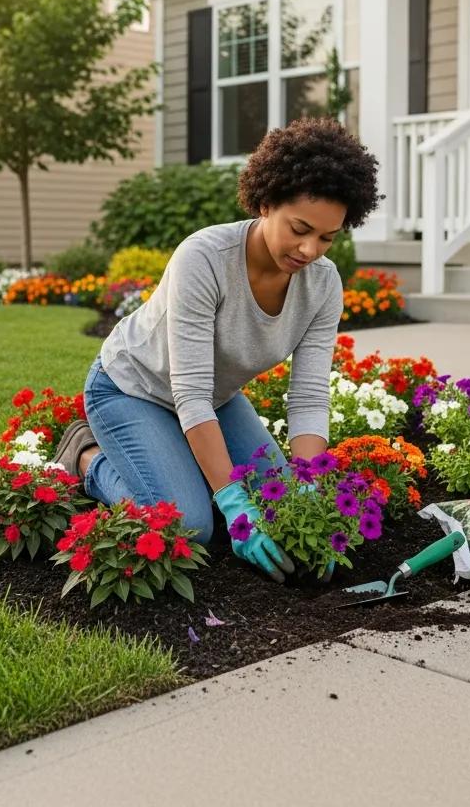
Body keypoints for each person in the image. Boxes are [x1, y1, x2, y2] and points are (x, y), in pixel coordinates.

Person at [53, 117, 380, 581]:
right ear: (266, 203)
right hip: (131, 388)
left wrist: (306, 490)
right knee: (190, 525)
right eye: (300, 228)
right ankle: (88, 458)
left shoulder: (323, 286)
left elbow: (308, 396)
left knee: (279, 503)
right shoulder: (204, 257)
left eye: (327, 237)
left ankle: (177, 462)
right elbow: (189, 392)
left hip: (216, 400)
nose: (309, 250)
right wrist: (230, 500)